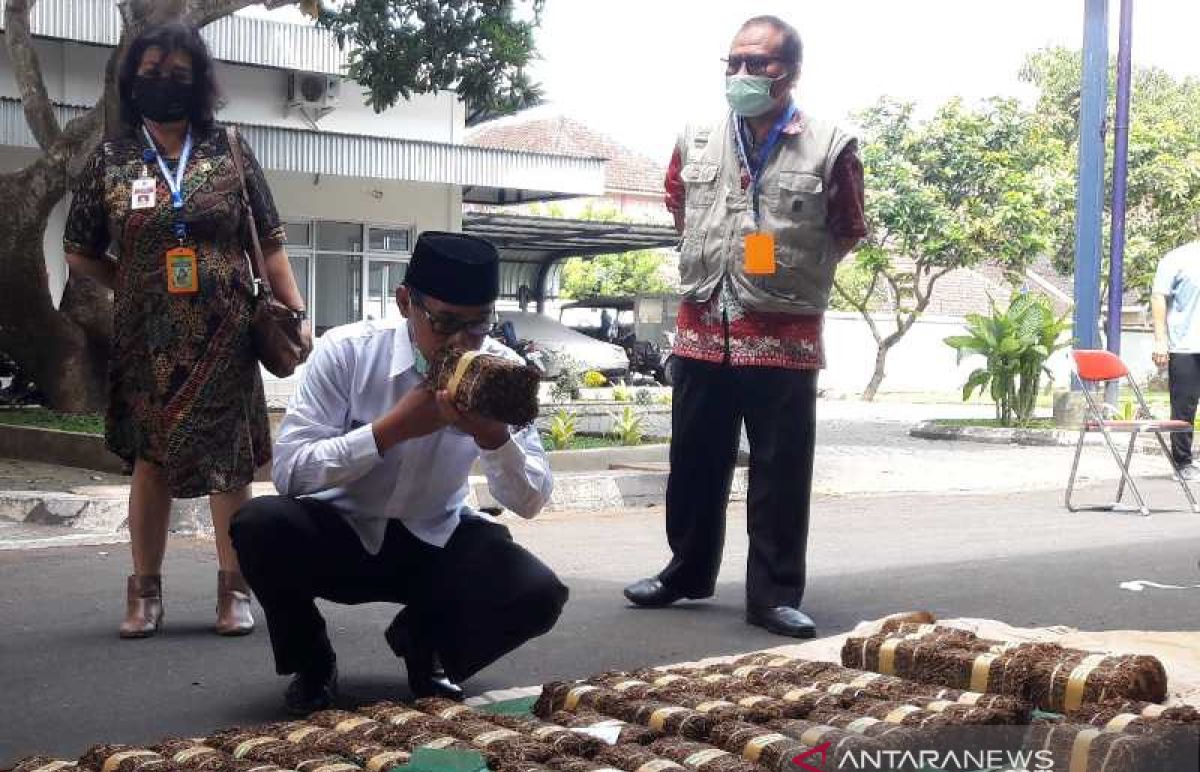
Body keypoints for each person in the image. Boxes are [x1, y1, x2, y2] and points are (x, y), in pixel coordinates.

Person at [230, 231, 567, 715]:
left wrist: (494, 436)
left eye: (478, 326)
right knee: (259, 525)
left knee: (537, 592)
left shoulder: (505, 372)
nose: (460, 342)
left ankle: (427, 645)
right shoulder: (346, 352)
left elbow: (531, 501)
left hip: (434, 537)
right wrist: (388, 431)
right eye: (445, 322)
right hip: (339, 531)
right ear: (405, 302)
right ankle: (313, 662)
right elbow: (290, 472)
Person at [623, 15, 867, 638]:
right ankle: (686, 571)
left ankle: (773, 594)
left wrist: (785, 273)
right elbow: (680, 201)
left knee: (781, 469)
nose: (741, 74)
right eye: (732, 63)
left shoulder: (831, 143)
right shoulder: (697, 133)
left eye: (756, 63)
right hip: (704, 318)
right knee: (695, 458)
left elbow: (847, 228)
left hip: (782, 331)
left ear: (789, 72)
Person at [64, 23, 306, 638]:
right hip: (147, 337)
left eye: (177, 73)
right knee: (151, 462)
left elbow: (271, 243)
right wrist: (134, 282)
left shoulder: (229, 148)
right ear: (131, 81)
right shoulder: (113, 159)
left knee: (228, 466)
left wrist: (294, 311)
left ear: (199, 81)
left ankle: (235, 590)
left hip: (225, 334)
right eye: (150, 73)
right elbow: (77, 249)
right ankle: (145, 593)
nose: (163, 84)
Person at [1151, 241, 1200, 481]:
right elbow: (1159, 297)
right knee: (1184, 408)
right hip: (1186, 346)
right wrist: (1161, 340)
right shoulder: (1177, 258)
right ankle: (1182, 464)